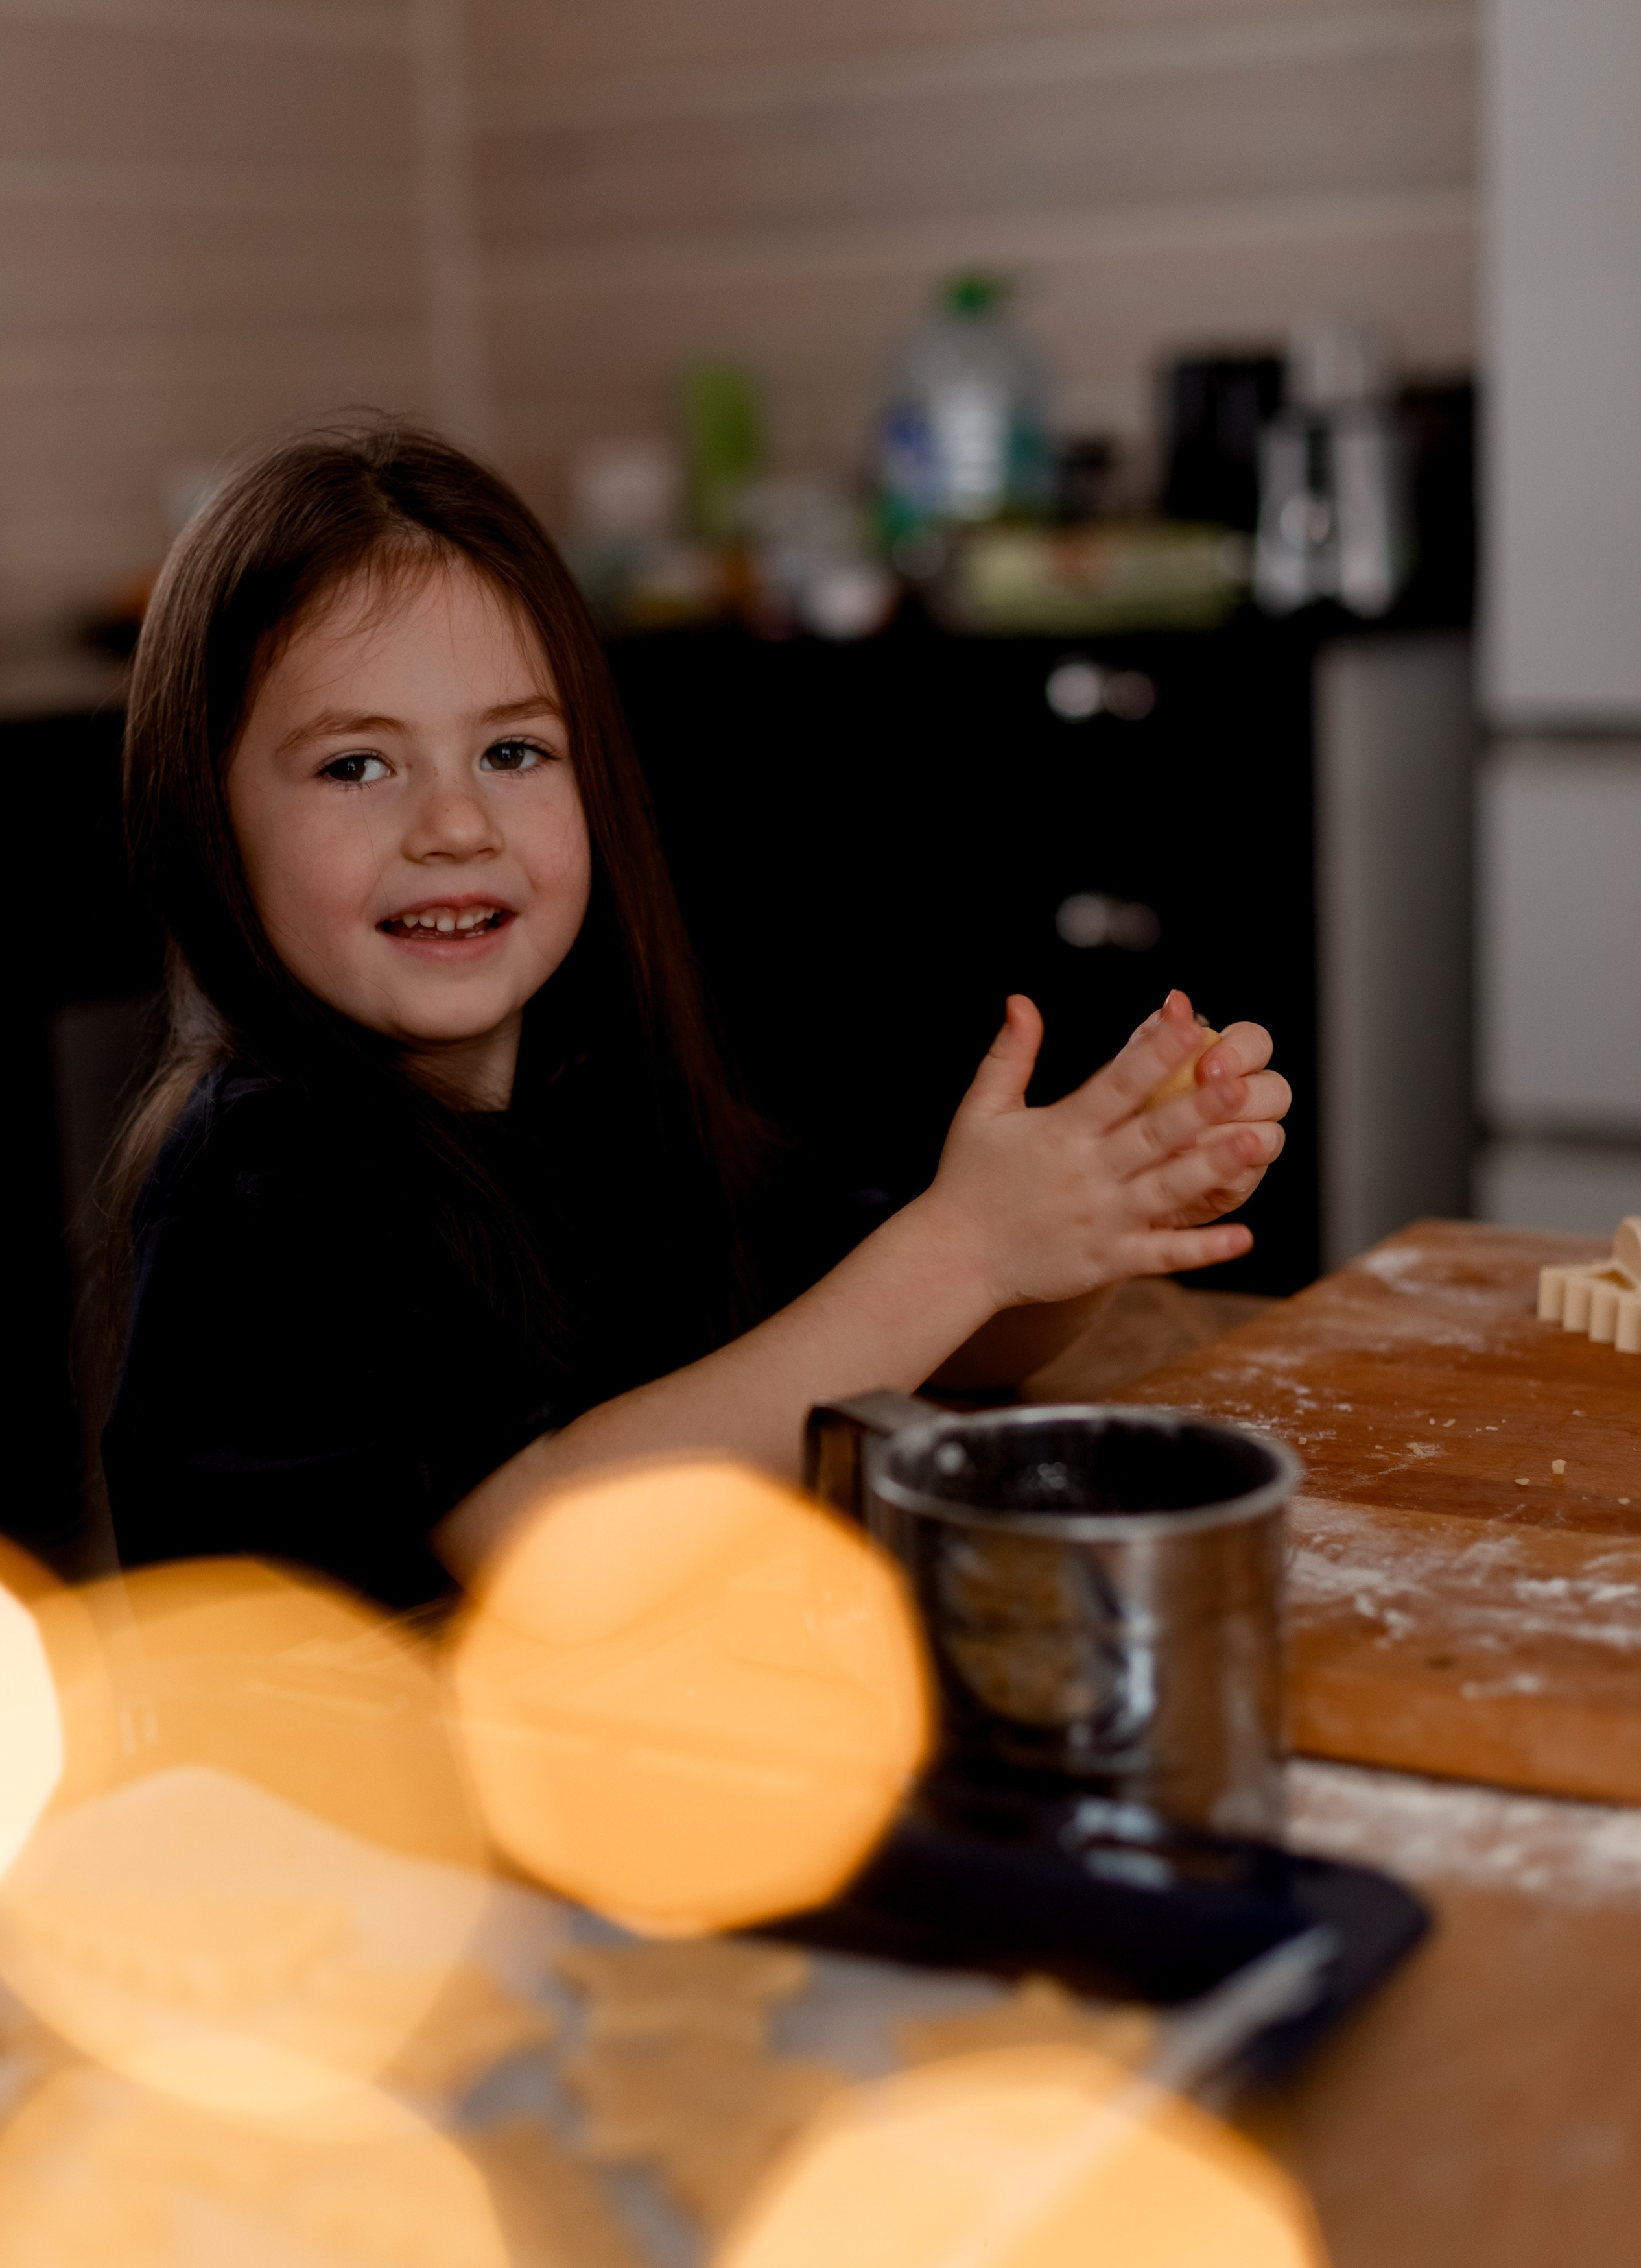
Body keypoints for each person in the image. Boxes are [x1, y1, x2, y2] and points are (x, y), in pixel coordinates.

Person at [102, 421, 1290, 1613]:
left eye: (514, 750)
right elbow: (554, 1547)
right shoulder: (270, 1179)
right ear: (205, 813)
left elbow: (904, 1340)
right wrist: (967, 1246)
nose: (455, 826)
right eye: (357, 766)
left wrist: (1078, 1219)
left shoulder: (600, 1096)